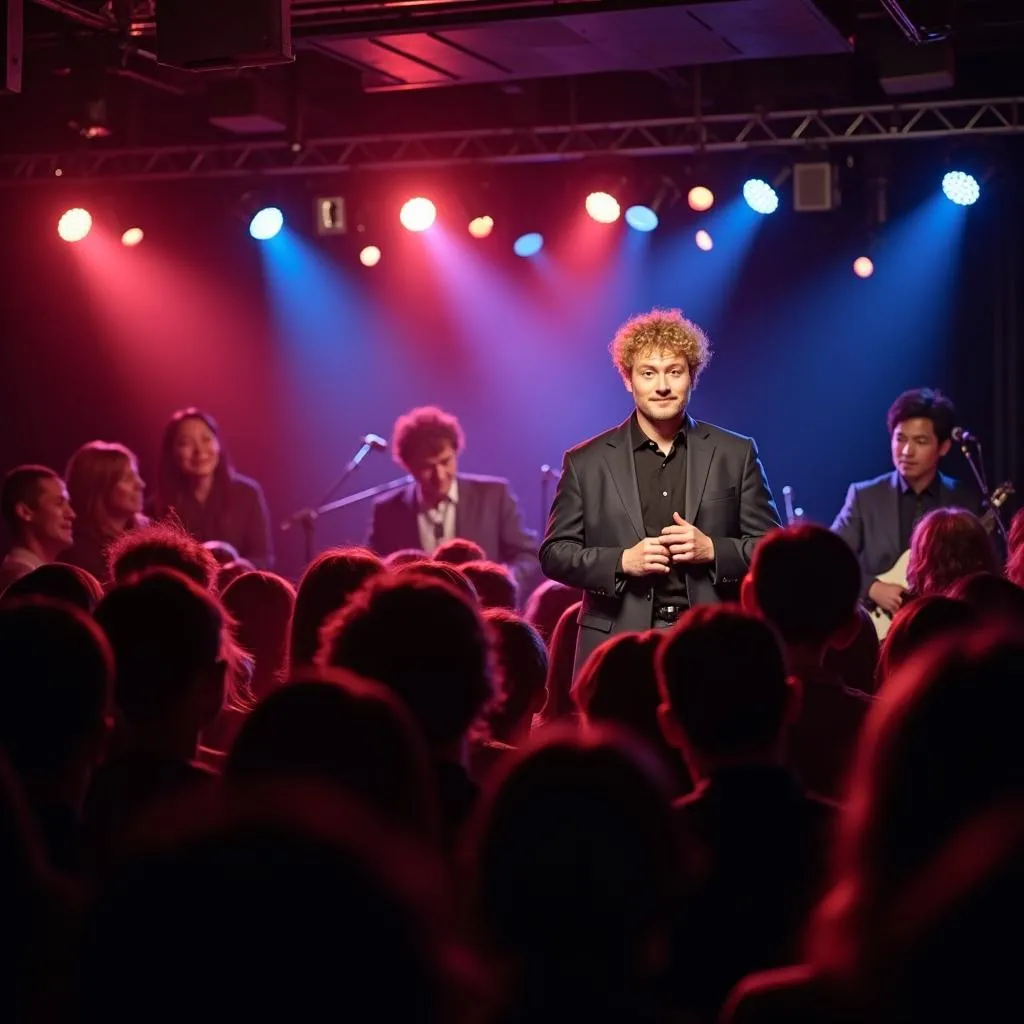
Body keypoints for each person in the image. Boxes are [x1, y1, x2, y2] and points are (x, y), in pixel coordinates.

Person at [539, 309, 781, 675]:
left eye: (675, 372)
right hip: (615, 649)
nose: (662, 386)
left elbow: (773, 549)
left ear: (692, 377)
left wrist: (714, 550)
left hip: (714, 644)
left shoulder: (736, 452)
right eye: (648, 373)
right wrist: (622, 562)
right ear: (628, 380)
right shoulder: (584, 461)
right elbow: (554, 554)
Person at [831, 388, 984, 622]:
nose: (906, 451)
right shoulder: (864, 496)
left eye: (920, 441)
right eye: (900, 438)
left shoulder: (964, 500)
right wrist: (871, 587)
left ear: (943, 447)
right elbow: (829, 557)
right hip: (878, 630)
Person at [366, 406, 538, 583]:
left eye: (445, 461)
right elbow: (375, 569)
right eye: (427, 466)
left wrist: (503, 581)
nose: (439, 475)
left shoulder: (494, 495)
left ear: (456, 452)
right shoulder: (387, 510)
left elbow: (527, 555)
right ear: (408, 466)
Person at [150, 407, 273, 568]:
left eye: (206, 439)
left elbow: (263, 558)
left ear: (218, 444)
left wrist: (238, 567)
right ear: (172, 452)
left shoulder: (247, 493)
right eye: (186, 443)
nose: (199, 451)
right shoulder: (157, 506)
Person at [62, 440, 148, 584]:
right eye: (128, 478)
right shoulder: (80, 556)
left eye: (136, 475)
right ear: (98, 488)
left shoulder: (149, 535)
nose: (140, 484)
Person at [0, 465, 75, 594]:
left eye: (68, 504)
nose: (72, 514)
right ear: (25, 512)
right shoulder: (20, 582)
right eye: (59, 503)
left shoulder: (38, 576)